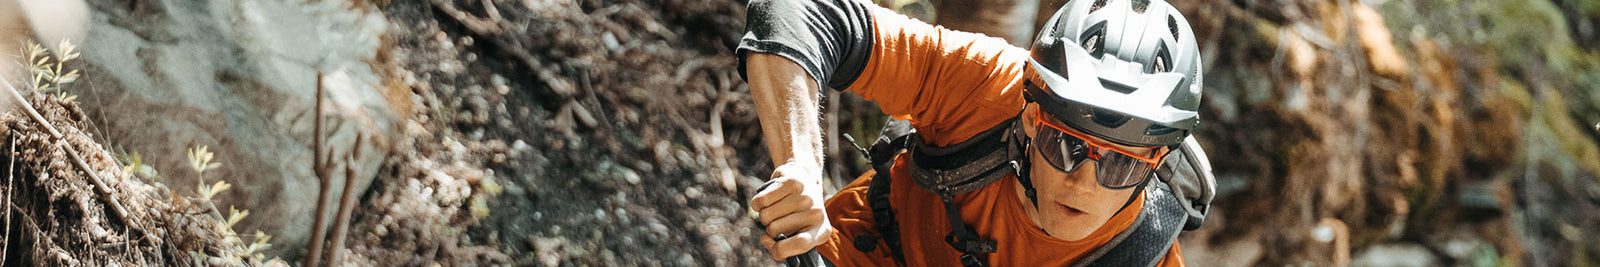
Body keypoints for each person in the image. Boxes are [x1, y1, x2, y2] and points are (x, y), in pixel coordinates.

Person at [741, 0, 1208, 265]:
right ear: (1030, 118)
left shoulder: (1140, 258)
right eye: (1064, 145)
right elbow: (796, 13)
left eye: (1123, 164)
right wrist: (799, 162)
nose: (1083, 181)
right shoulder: (984, 86)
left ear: (1160, 161)